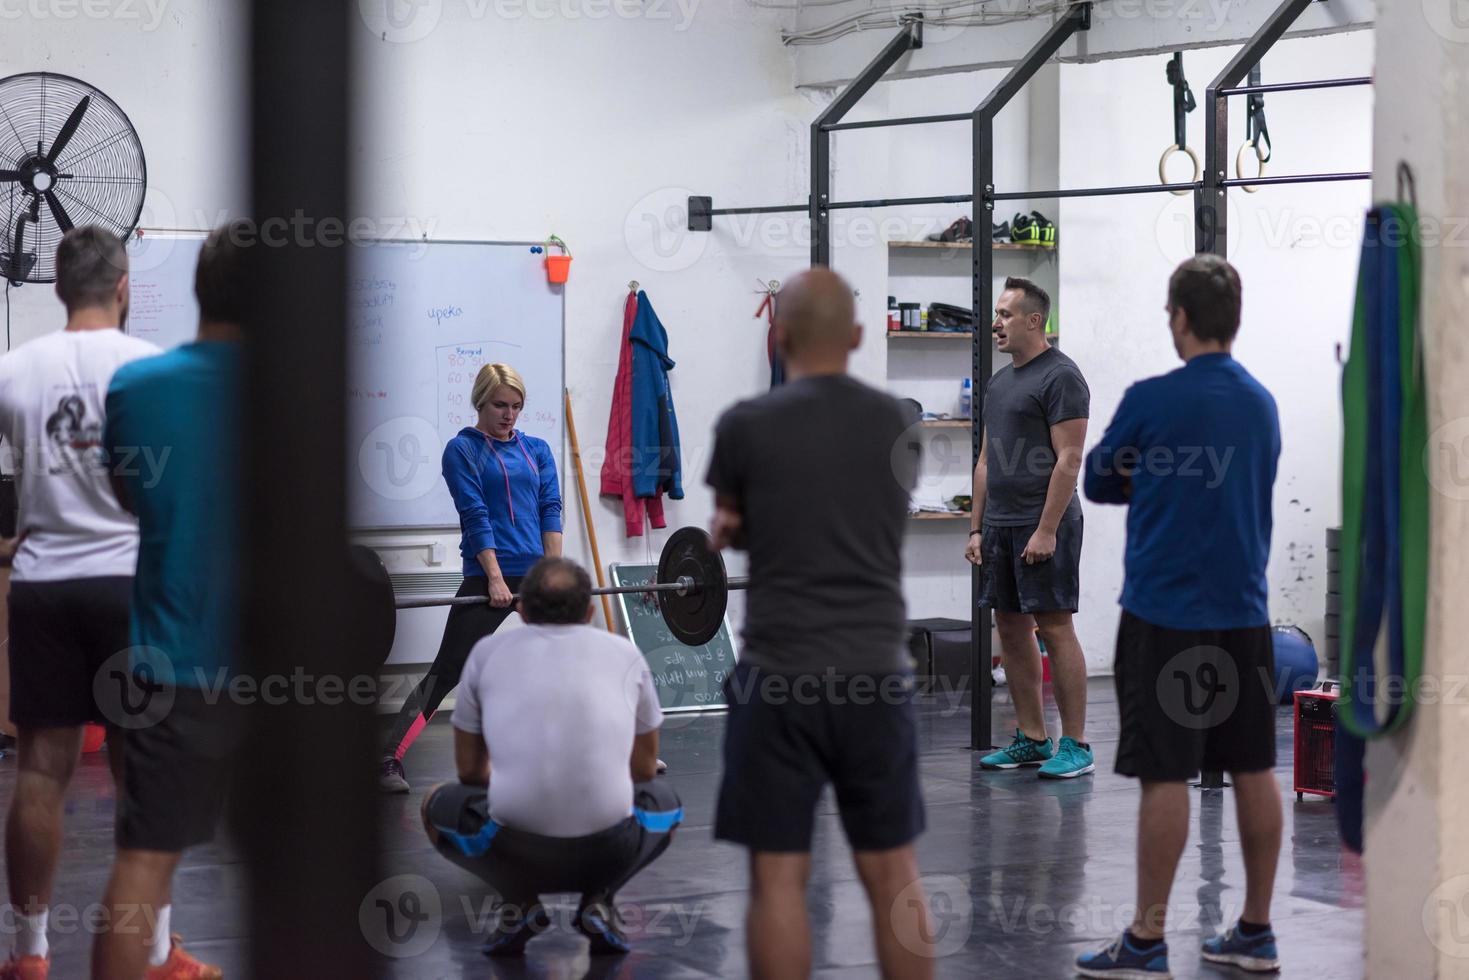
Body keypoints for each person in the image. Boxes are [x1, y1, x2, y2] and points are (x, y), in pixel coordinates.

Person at [707, 268, 934, 980]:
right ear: (859, 336)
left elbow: (733, 526)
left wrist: (729, 531)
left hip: (779, 676)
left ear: (778, 337)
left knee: (776, 879)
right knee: (893, 872)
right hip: (874, 675)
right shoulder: (899, 420)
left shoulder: (743, 425)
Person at [1076, 255, 1283, 978]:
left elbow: (1099, 478)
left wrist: (1152, 473)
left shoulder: (1151, 400)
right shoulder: (1261, 404)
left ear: (1179, 318)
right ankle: (1255, 930)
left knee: (1165, 775)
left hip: (1165, 616)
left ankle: (1145, 939)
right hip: (1244, 617)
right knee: (1253, 768)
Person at [0, 227, 160, 980]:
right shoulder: (154, 367)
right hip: (128, 583)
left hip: (42, 585)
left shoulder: (14, 369)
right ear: (122, 286)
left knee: (40, 769)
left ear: (58, 289)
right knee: (141, 766)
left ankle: (30, 955)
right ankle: (153, 951)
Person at [92, 222, 250, 980]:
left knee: (142, 867)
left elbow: (131, 500)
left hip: (169, 666)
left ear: (198, 289)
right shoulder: (303, 394)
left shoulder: (137, 386)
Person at [421, 556, 679, 956]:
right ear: (591, 610)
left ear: (521, 610)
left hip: (514, 848)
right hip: (609, 849)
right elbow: (645, 769)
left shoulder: (485, 654)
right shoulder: (625, 654)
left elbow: (470, 772)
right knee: (666, 802)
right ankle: (599, 897)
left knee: (434, 804)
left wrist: (522, 776)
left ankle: (520, 899)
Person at [379, 363, 562, 793]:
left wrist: (555, 571)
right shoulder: (461, 450)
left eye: (517, 406)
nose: (509, 414)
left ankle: (622, 746)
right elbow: (475, 514)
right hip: (489, 577)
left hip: (538, 575)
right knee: (448, 672)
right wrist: (495, 578)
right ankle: (389, 760)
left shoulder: (536, 449)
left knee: (575, 659)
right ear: (480, 401)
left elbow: (549, 507)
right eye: (500, 405)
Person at [964, 276, 1094, 779]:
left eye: (1005, 315)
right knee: (1012, 629)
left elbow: (1069, 460)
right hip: (1000, 525)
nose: (995, 323)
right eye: (997, 314)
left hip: (1045, 524)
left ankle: (1076, 744)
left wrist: (1046, 529)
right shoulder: (1000, 381)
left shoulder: (1061, 376)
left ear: (1034, 321)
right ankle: (1032, 738)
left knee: (1056, 629)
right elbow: (984, 461)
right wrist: (976, 528)